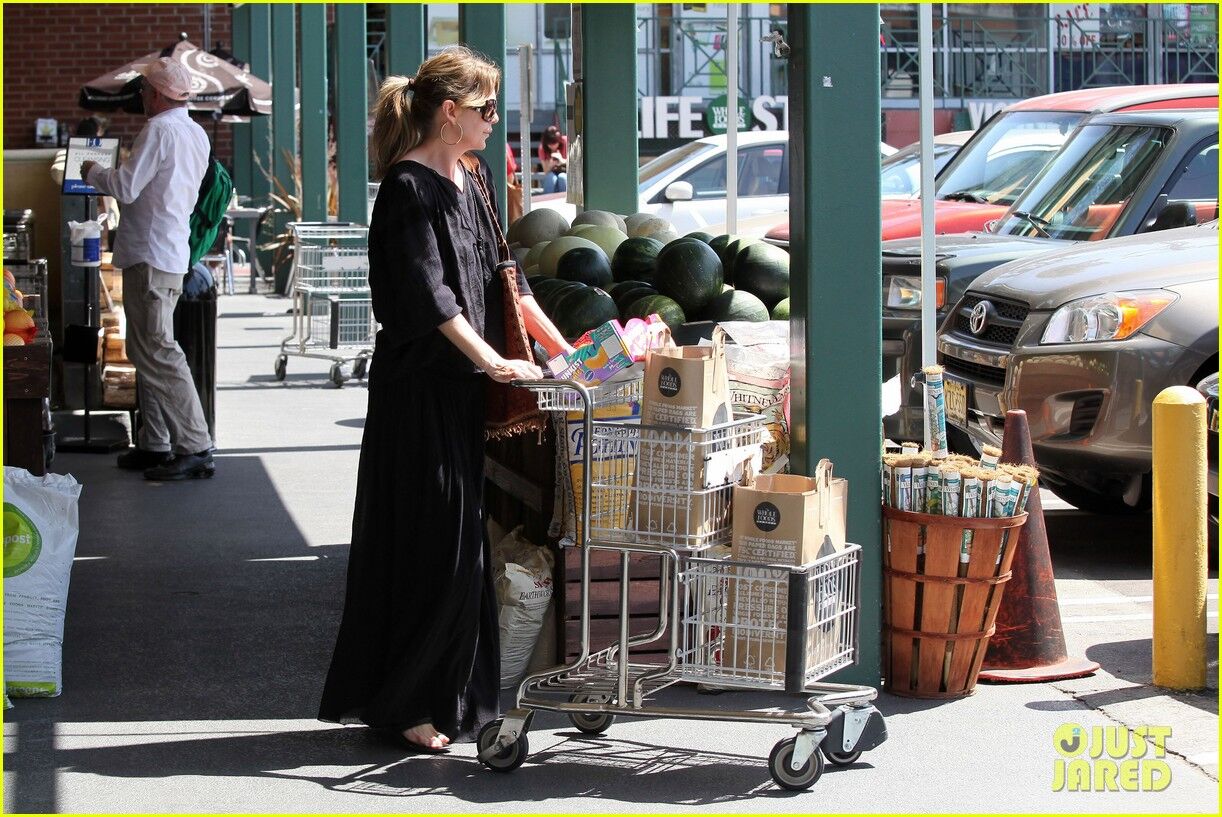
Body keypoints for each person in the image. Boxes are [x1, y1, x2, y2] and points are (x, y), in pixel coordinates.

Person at [317, 46, 572, 753]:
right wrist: (492, 360)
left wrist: (562, 348)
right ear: (451, 113)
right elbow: (429, 297)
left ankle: (451, 692)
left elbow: (506, 278)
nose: (497, 120)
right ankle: (407, 702)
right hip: (417, 393)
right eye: (487, 109)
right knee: (432, 544)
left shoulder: (477, 176)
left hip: (461, 391)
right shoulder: (407, 189)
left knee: (462, 547)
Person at [81, 57, 215, 481]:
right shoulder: (195, 132)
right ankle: (155, 441)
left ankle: (194, 445)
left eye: (143, 90)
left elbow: (125, 186)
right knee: (147, 349)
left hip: (150, 254)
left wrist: (91, 171)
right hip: (168, 253)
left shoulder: (159, 129)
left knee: (156, 349)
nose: (140, 96)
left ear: (157, 94)